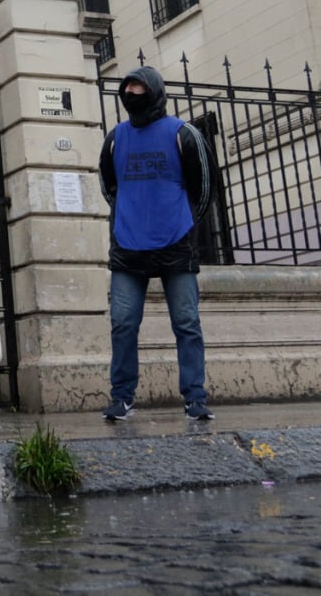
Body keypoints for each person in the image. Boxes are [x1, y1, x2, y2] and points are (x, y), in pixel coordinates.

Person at [98, 66, 216, 422]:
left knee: (186, 323)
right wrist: (127, 219)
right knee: (122, 324)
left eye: (139, 88)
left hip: (176, 246)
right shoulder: (115, 138)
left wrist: (184, 225)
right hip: (128, 248)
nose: (133, 93)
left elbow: (204, 186)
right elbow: (109, 187)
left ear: (155, 91)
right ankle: (122, 398)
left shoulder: (183, 133)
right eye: (128, 88)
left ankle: (195, 398)